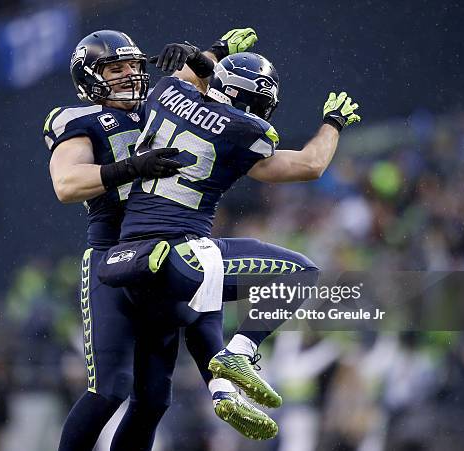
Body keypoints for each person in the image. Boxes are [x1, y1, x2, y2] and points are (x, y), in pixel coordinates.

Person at [102, 48, 361, 446]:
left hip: (133, 264)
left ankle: (223, 389)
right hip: (180, 253)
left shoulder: (168, 90)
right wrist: (333, 122)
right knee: (304, 274)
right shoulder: (243, 130)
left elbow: (198, 81)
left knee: (148, 402)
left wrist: (214, 53)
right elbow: (311, 165)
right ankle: (239, 354)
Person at [43, 28, 266, 450]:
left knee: (152, 400)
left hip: (164, 254)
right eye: (115, 67)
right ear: (90, 77)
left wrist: (209, 53)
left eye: (132, 65)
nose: (129, 74)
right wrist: (132, 168)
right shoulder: (77, 119)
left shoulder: (158, 105)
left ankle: (225, 379)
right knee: (109, 389)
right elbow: (67, 183)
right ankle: (223, 382)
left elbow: (203, 92)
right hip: (112, 255)